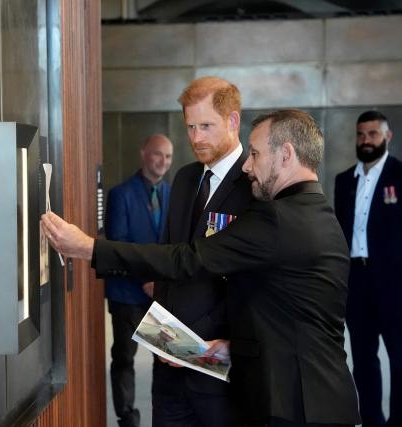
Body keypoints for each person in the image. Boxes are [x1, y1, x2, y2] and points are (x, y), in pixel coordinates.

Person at [43, 109, 361, 427]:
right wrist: (232, 348)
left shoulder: (277, 217)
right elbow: (295, 313)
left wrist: (88, 247)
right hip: (321, 399)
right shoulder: (319, 214)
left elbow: (187, 259)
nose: (248, 166)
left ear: (286, 154)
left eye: (254, 154)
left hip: (294, 406)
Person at [149, 76, 252, 427]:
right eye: (190, 127)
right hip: (168, 356)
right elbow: (168, 258)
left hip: (218, 360)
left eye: (206, 126)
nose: (195, 138)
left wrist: (206, 342)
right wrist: (164, 335)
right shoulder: (184, 179)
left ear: (233, 121)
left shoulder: (254, 185)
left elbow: (252, 280)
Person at [333, 111, 402, 427]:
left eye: (373, 134)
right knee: (363, 358)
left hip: (393, 282)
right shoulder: (343, 181)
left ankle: (400, 421)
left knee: (398, 353)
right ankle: (372, 419)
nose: (366, 141)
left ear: (387, 137)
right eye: (361, 135)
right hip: (356, 280)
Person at [105, 133, 173, 427]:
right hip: (127, 295)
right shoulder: (121, 194)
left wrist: (160, 282)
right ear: (144, 153)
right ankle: (127, 417)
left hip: (163, 295)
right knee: (124, 358)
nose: (163, 162)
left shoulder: (174, 195)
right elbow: (118, 243)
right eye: (158, 154)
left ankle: (166, 413)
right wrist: (146, 279)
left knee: (167, 358)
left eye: (168, 157)